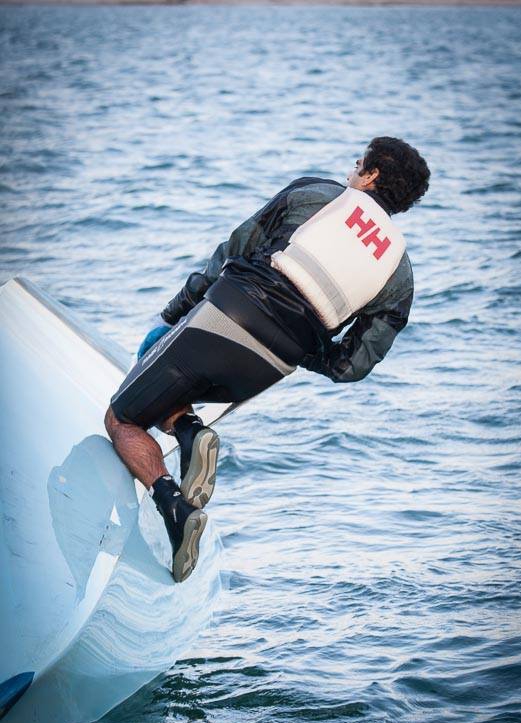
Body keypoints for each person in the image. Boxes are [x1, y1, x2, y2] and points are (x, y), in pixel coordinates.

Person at [105, 136, 430, 583]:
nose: (352, 170)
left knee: (122, 417)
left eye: (359, 164)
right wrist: (306, 347)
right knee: (172, 391)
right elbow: (351, 366)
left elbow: (234, 249)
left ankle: (174, 507)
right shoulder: (401, 275)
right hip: (273, 363)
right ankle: (187, 429)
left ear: (371, 176)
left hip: (227, 316)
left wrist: (177, 310)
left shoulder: (317, 193)